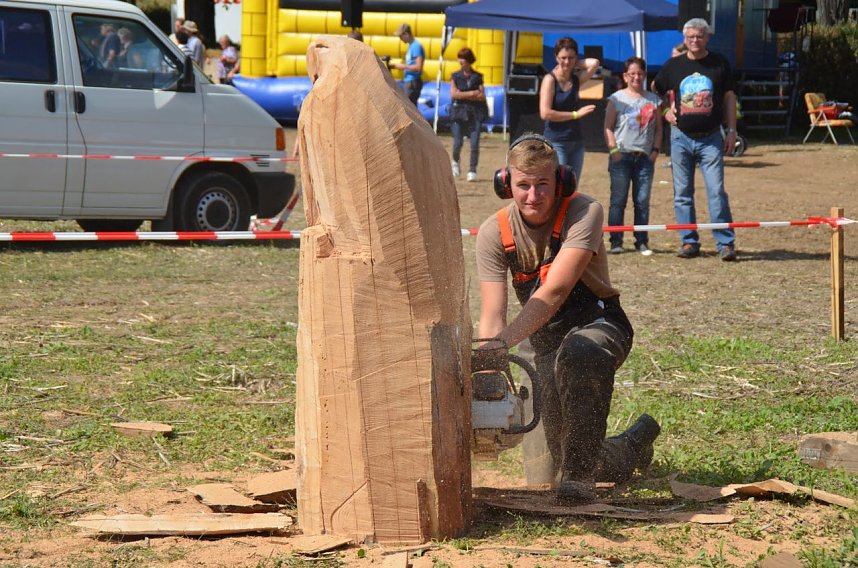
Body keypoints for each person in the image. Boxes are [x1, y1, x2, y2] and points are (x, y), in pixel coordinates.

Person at [474, 133, 661, 502]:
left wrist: (499, 346)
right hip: (542, 341)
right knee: (553, 464)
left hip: (598, 326)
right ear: (505, 183)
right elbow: (492, 313)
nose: (533, 195)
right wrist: (486, 373)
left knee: (579, 353)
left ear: (561, 180)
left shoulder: (584, 211)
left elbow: (555, 291)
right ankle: (631, 443)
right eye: (523, 185)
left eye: (542, 184)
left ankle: (580, 479)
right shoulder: (494, 232)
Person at [653, 18, 738, 261]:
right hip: (681, 138)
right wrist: (664, 111)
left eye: (699, 36)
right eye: (690, 36)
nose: (695, 40)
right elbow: (655, 88)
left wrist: (731, 130)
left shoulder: (719, 63)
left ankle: (725, 243)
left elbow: (730, 97)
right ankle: (688, 241)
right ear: (684, 38)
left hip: (711, 138)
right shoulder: (673, 65)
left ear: (707, 37)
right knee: (682, 192)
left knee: (716, 191)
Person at [604, 57, 662, 256]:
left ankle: (642, 241)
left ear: (645, 75)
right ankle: (616, 241)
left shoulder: (653, 100)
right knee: (618, 200)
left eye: (640, 73)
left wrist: (655, 151)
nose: (636, 77)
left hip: (644, 158)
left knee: (642, 201)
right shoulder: (616, 99)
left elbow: (659, 129)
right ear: (625, 76)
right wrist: (614, 151)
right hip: (622, 157)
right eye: (632, 74)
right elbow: (608, 127)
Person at [539, 37, 600, 181]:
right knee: (559, 185)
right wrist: (575, 115)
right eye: (562, 58)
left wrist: (572, 64)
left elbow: (594, 63)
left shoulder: (576, 79)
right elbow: (545, 112)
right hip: (556, 141)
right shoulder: (550, 80)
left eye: (571, 57)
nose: (566, 61)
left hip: (576, 141)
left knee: (572, 187)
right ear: (555, 57)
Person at [449, 47, 487, 182]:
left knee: (475, 142)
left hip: (475, 113)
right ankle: (455, 161)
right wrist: (472, 93)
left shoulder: (478, 77)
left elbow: (482, 96)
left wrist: (462, 94)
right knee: (458, 141)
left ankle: (472, 170)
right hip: (458, 113)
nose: (460, 61)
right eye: (459, 58)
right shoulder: (455, 76)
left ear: (469, 60)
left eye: (463, 58)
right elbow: (454, 94)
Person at [391, 23, 424, 106]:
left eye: (400, 36)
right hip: (410, 81)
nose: (400, 39)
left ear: (406, 34)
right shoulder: (411, 46)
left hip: (413, 81)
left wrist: (401, 66)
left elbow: (418, 67)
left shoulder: (416, 46)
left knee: (409, 108)